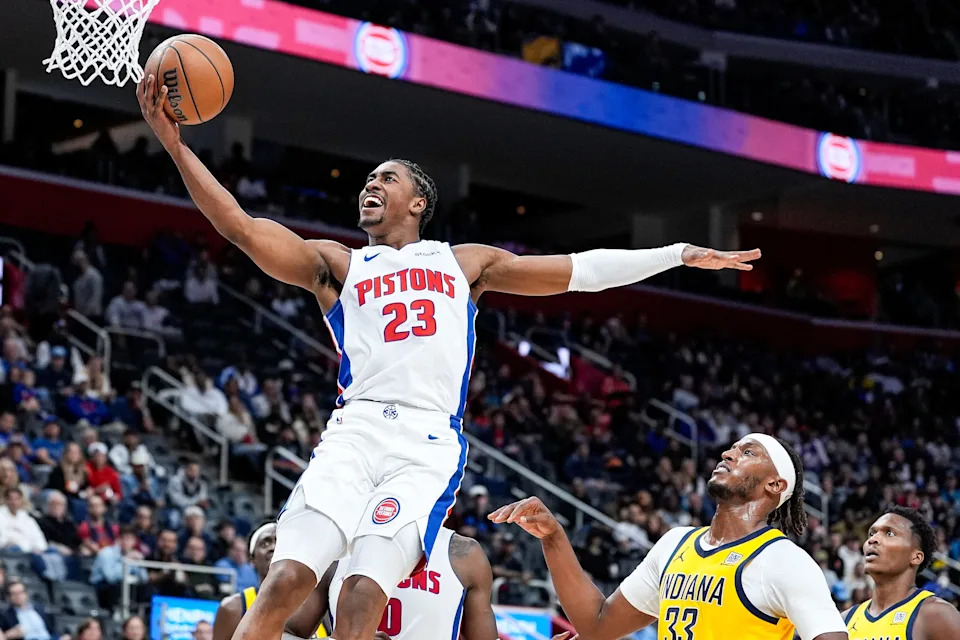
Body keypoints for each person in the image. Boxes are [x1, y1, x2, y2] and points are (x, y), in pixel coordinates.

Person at [138, 74, 760, 640]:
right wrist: (175, 145)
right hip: (354, 429)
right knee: (285, 582)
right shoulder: (338, 263)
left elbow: (578, 273)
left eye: (387, 178)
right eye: (368, 178)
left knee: (360, 598)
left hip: (427, 443)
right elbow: (243, 229)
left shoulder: (463, 263)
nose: (371, 184)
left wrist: (675, 253)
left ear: (417, 203)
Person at [491, 434, 848, 640]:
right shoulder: (674, 543)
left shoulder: (784, 561)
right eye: (732, 448)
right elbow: (597, 624)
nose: (728, 453)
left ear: (774, 485)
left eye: (748, 452)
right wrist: (554, 538)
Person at [844, 507, 960, 640]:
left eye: (889, 533)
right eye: (871, 533)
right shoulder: (845, 621)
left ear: (916, 557)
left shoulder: (937, 615)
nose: (873, 539)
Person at [0, 579, 64, 640]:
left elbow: (51, 630)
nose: (18, 596)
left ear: (26, 593)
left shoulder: (39, 608)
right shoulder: (5, 615)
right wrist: (7, 635)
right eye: (14, 594)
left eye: (21, 592)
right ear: (9, 597)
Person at [0, 488, 47, 553]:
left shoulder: (27, 518)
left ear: (21, 500)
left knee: (52, 550)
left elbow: (38, 537)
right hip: (8, 551)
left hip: (29, 551)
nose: (14, 502)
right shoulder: (1, 515)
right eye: (11, 499)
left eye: (17, 499)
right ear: (5, 500)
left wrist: (39, 548)